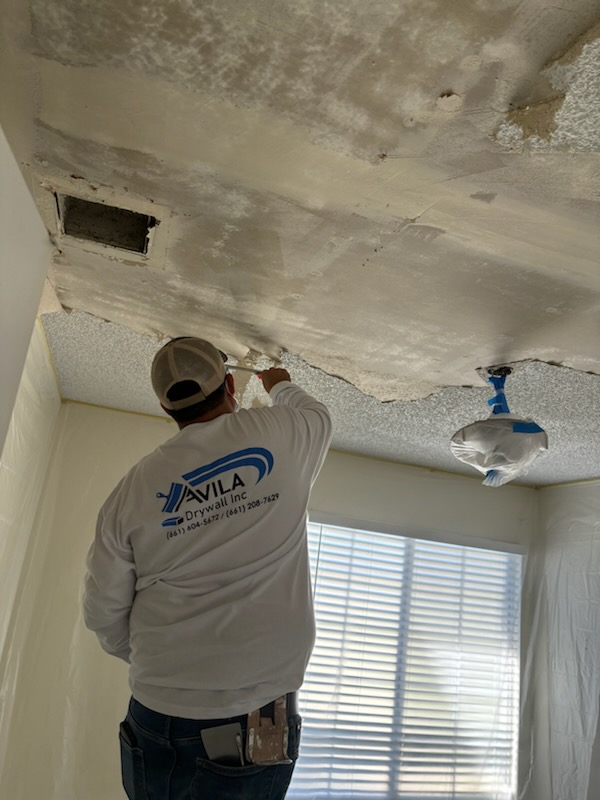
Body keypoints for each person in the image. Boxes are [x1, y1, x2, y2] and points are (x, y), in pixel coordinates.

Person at [83, 336, 332, 800]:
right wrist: (279, 383)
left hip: (157, 711)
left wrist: (165, 667)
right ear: (231, 386)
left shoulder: (130, 492)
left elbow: (102, 612)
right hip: (254, 715)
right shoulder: (279, 432)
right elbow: (318, 416)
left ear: (165, 407)